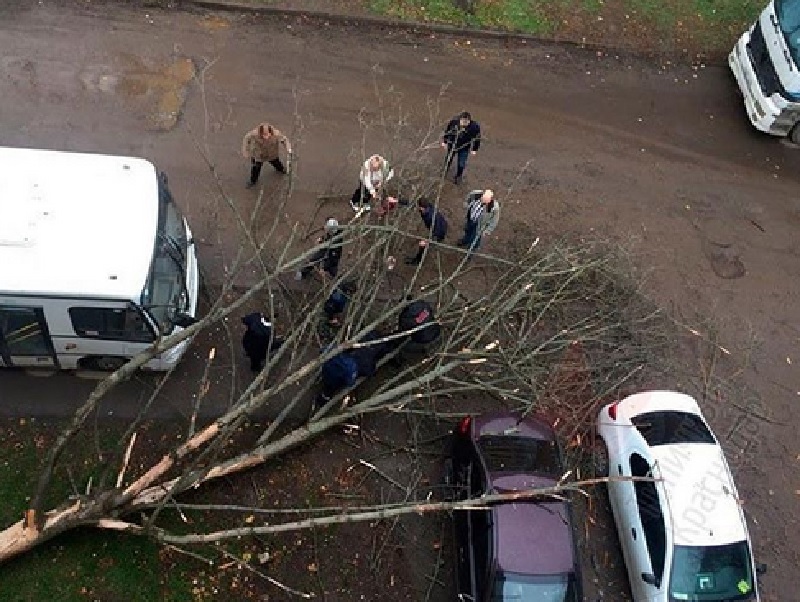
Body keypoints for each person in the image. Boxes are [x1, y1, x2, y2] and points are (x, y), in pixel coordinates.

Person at [316, 330, 395, 408]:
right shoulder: (353, 366)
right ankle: (324, 398)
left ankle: (323, 397)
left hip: (332, 371)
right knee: (329, 389)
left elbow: (324, 351)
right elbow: (350, 381)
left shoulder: (339, 358)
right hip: (340, 374)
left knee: (329, 388)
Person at [242, 122, 292, 188]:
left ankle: (281, 169)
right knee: (256, 168)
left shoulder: (276, 134)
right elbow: (246, 139)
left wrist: (288, 149)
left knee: (276, 162)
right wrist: (246, 151)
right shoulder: (254, 134)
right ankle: (253, 181)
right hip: (258, 154)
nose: (266, 137)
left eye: (267, 134)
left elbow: (285, 140)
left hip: (271, 153)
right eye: (264, 135)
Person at [405, 198, 448, 265]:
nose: (417, 207)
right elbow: (411, 203)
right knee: (424, 243)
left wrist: (429, 240)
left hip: (439, 231)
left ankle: (417, 261)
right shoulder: (427, 207)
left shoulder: (431, 216)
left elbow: (438, 230)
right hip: (437, 226)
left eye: (418, 207)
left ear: (422, 208)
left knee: (422, 245)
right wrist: (397, 200)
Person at [441, 111, 481, 185]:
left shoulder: (475, 127)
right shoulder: (454, 122)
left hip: (464, 147)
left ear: (469, 121)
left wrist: (474, 149)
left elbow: (477, 138)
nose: (464, 124)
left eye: (466, 122)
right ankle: (443, 173)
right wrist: (445, 141)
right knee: (448, 159)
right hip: (452, 144)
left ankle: (458, 177)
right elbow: (447, 131)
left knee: (461, 163)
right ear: (460, 119)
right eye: (463, 121)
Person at [459, 189, 500, 254]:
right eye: (483, 199)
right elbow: (469, 197)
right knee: (467, 230)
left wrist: (488, 230)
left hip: (479, 225)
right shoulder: (475, 194)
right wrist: (466, 204)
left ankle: (471, 250)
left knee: (475, 238)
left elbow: (494, 220)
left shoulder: (494, 208)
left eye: (486, 201)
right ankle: (465, 240)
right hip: (470, 219)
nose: (483, 202)